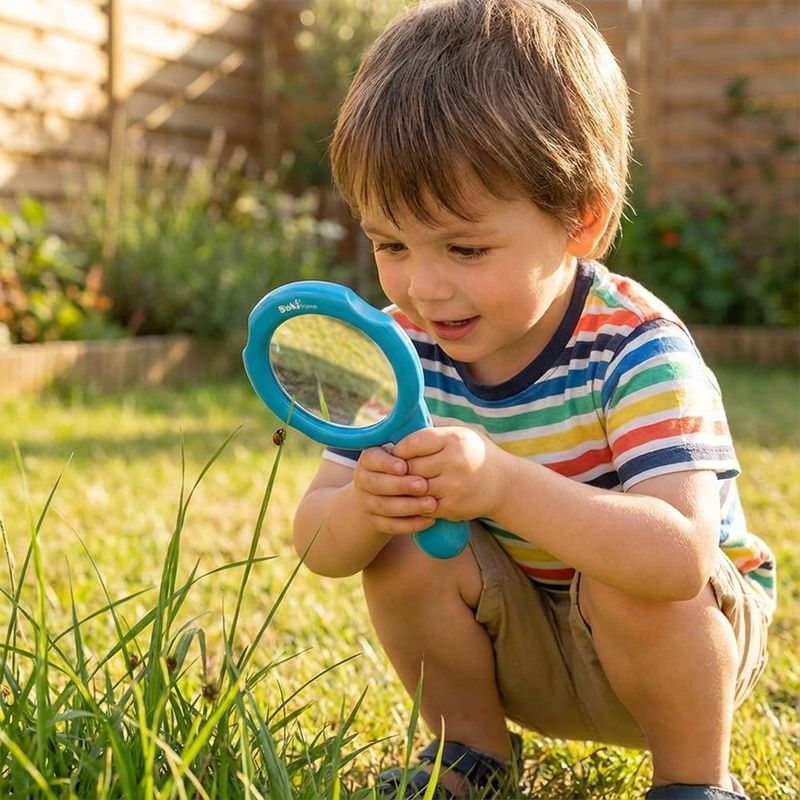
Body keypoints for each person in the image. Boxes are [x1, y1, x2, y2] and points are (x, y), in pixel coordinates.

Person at [291, 1, 776, 797]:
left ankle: (694, 780)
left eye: (465, 247)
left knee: (623, 572)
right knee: (403, 548)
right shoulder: (400, 349)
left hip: (678, 643)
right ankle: (470, 755)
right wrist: (366, 509)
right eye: (391, 244)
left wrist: (503, 485)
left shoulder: (636, 349)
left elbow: (677, 558)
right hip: (521, 641)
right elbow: (318, 546)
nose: (423, 286)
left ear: (580, 218)